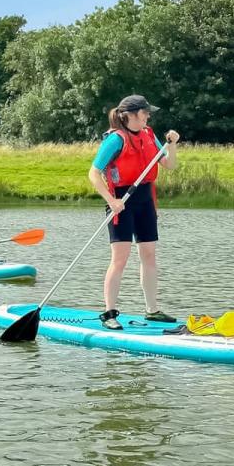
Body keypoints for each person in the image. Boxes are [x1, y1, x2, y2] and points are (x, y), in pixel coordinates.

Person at [87, 94, 181, 330]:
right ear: (132, 115)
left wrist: (172, 145)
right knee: (120, 258)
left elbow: (170, 164)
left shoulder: (149, 135)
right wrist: (112, 200)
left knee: (149, 255)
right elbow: (94, 173)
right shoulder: (115, 140)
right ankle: (109, 313)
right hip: (121, 200)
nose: (148, 116)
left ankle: (152, 310)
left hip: (145, 200)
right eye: (145, 112)